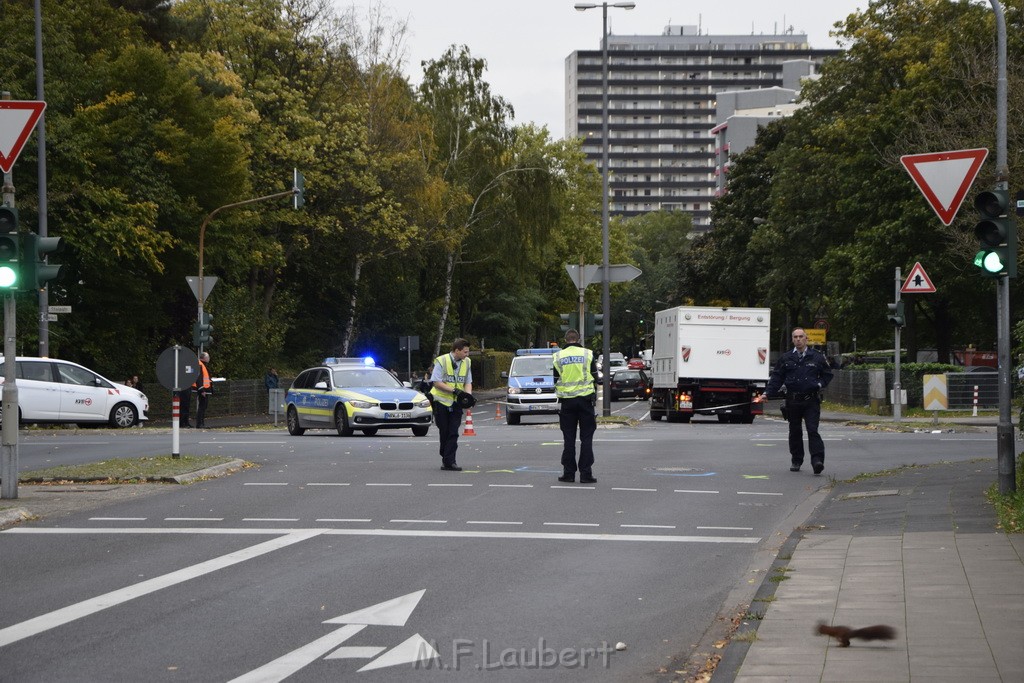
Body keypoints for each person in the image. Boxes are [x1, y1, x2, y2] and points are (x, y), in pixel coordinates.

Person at [764, 327, 834, 474]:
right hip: (793, 400)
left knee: (812, 430)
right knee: (795, 431)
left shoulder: (817, 357)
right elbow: (777, 377)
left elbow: (827, 374)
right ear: (792, 339)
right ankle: (796, 460)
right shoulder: (786, 358)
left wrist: (819, 384)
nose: (798, 339)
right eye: (795, 337)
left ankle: (817, 461)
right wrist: (767, 393)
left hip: (811, 401)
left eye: (801, 336)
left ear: (806, 339)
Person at [552, 329, 598, 484]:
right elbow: (595, 377)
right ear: (579, 339)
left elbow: (555, 380)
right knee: (586, 438)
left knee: (569, 439)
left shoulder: (558, 356)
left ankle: (569, 473)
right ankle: (586, 474)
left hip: (567, 402)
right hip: (585, 401)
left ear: (565, 340)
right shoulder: (588, 354)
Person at [430, 338, 472, 471]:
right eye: (465, 352)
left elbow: (468, 382)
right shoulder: (442, 361)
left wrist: (467, 396)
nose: (467, 355)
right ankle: (445, 457)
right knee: (445, 431)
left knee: (453, 432)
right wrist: (454, 390)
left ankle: (450, 461)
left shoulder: (467, 362)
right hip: (441, 401)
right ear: (457, 350)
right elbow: (436, 382)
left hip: (456, 402)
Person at [193, 352, 213, 429]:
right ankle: (199, 423)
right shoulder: (200, 364)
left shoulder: (202, 364)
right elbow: (199, 378)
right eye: (207, 357)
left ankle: (202, 423)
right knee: (202, 406)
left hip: (205, 389)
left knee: (204, 406)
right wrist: (201, 389)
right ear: (204, 358)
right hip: (203, 389)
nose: (209, 359)